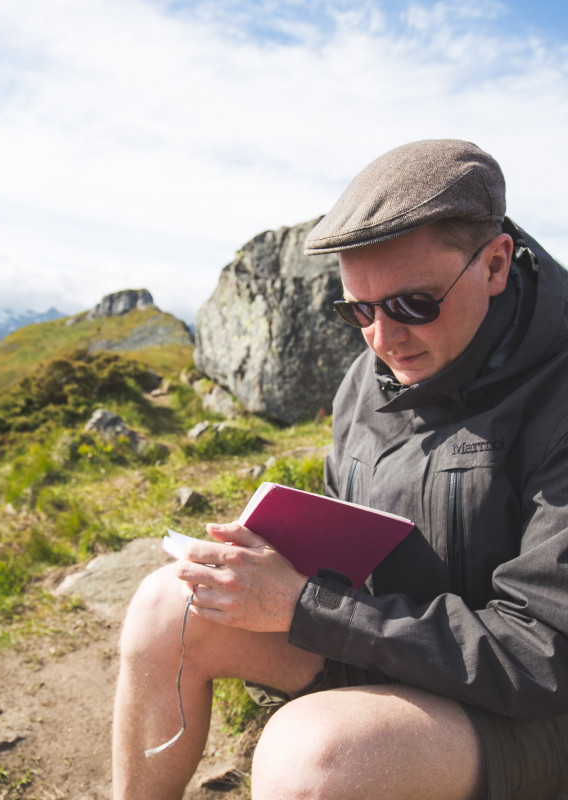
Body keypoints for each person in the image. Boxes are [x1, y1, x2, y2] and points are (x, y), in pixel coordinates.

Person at [112, 139, 568, 800]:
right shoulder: (372, 376)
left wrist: (305, 605)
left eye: (414, 304)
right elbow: (352, 532)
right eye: (358, 310)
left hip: (531, 710)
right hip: (397, 652)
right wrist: (276, 566)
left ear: (495, 264)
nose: (384, 338)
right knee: (170, 605)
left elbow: (541, 656)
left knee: (315, 760)